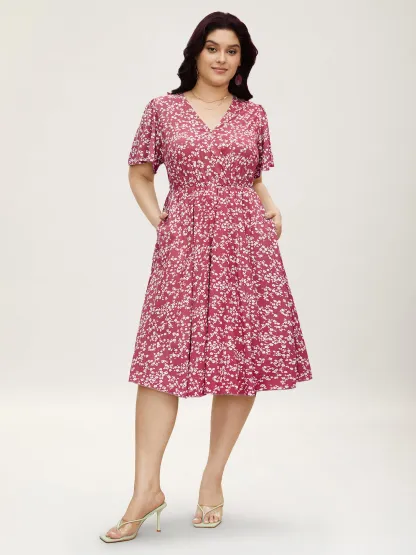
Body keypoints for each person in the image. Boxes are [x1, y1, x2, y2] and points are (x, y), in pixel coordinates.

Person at [100, 11, 312, 543]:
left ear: (243, 60)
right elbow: (140, 172)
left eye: (232, 51)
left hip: (246, 242)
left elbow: (251, 176)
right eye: (213, 48)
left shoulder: (253, 114)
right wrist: (161, 221)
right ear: (196, 52)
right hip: (185, 241)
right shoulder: (163, 110)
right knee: (161, 361)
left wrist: (270, 205)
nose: (222, 58)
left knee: (239, 359)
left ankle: (212, 479)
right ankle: (145, 489)